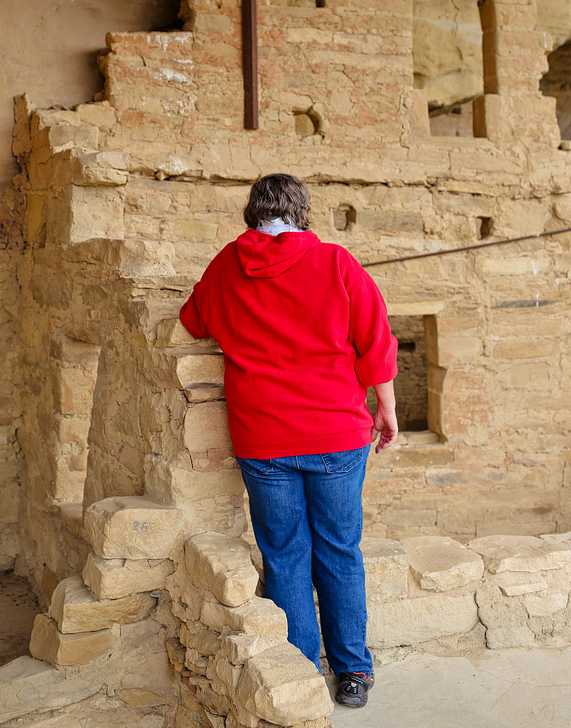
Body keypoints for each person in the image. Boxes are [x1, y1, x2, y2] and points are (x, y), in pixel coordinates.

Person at [179, 173, 398, 709]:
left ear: (252, 212)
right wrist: (386, 409)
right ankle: (351, 672)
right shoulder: (335, 262)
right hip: (336, 433)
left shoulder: (226, 264)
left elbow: (192, 319)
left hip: (264, 437)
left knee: (284, 555)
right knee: (340, 550)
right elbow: (375, 340)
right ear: (303, 212)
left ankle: (297, 671)